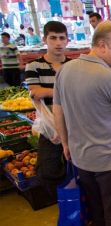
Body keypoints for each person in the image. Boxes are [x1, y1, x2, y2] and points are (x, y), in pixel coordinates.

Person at [53, 21, 111, 226]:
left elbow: (58, 109)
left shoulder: (65, 70)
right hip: (110, 162)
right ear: (102, 45)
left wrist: (65, 142)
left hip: (81, 159)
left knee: (98, 213)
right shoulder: (109, 76)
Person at [25, 21, 71, 203]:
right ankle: (61, 201)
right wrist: (63, 91)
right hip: (50, 127)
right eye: (53, 38)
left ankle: (77, 203)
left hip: (74, 124)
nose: (58, 43)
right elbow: (35, 92)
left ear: (67, 40)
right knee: (47, 169)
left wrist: (51, 92)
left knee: (77, 167)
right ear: (45, 39)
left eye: (62, 38)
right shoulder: (34, 66)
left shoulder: (73, 65)